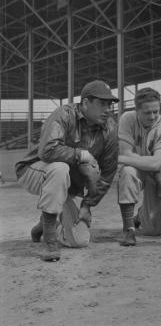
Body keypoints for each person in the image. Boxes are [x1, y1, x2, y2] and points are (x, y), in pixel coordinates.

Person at [15, 80, 119, 262]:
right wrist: (82, 155)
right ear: (85, 103)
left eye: (109, 104)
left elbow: (107, 174)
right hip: (34, 170)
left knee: (79, 241)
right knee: (59, 168)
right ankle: (49, 240)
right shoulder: (64, 114)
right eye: (102, 103)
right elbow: (47, 150)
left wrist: (87, 204)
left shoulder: (109, 128)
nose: (108, 109)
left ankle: (45, 222)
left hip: (70, 186)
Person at [117, 87, 161, 246]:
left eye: (156, 111)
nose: (152, 116)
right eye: (147, 112)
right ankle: (128, 229)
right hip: (136, 169)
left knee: (154, 230)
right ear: (137, 111)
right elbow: (125, 152)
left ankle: (141, 215)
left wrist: (125, 158)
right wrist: (131, 159)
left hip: (159, 171)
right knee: (128, 172)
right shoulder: (127, 119)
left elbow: (156, 162)